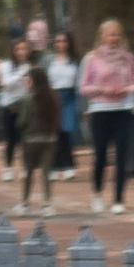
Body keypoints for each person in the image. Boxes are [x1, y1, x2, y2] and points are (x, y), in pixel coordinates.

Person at [80, 18, 134, 215]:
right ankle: (97, 193)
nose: (113, 38)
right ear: (102, 37)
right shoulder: (92, 59)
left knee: (122, 153)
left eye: (117, 34)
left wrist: (127, 89)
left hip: (123, 108)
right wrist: (101, 89)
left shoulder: (128, 57)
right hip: (101, 109)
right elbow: (83, 87)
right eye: (110, 34)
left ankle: (119, 198)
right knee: (101, 154)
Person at [18, 63, 62, 216]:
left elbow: (22, 121)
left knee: (28, 172)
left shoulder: (27, 99)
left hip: (31, 140)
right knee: (46, 172)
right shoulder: (52, 97)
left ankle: (24, 203)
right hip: (50, 139)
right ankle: (47, 203)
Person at [0, 39, 37, 183]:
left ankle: (26, 167)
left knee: (25, 138)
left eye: (25, 49)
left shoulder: (32, 66)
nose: (21, 52)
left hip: (25, 107)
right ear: (13, 51)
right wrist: (21, 74)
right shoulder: (5, 66)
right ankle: (8, 167)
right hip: (8, 106)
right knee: (10, 139)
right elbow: (5, 85)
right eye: (18, 49)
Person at [46, 30, 80, 178]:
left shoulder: (76, 60)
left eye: (64, 41)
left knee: (66, 130)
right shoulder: (48, 60)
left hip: (70, 97)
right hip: (53, 97)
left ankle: (68, 165)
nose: (61, 44)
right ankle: (54, 166)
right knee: (54, 131)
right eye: (58, 41)